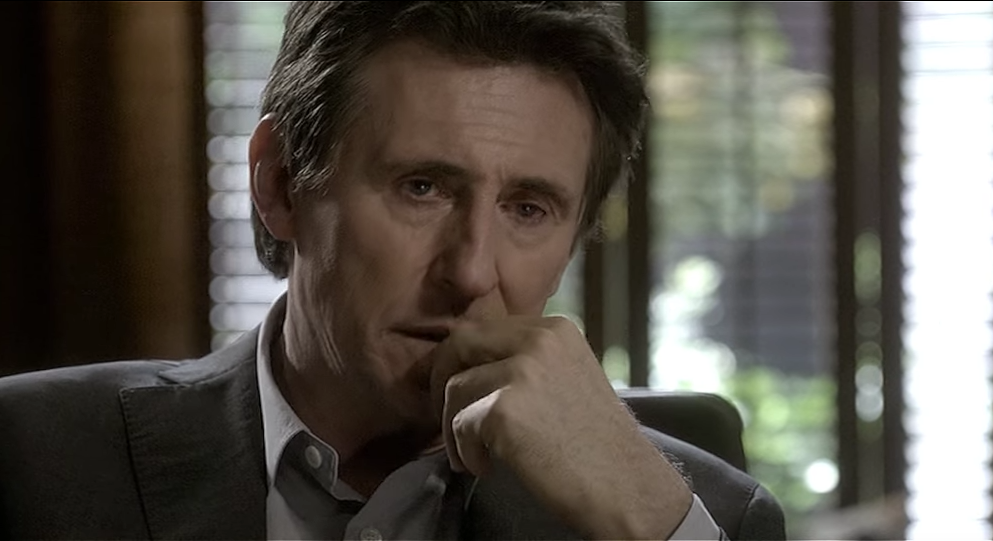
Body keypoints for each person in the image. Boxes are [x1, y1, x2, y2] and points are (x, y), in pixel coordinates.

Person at [0, 2, 785, 540]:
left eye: (528, 207)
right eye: (422, 187)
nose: (471, 272)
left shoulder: (700, 518)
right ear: (280, 183)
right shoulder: (29, 460)